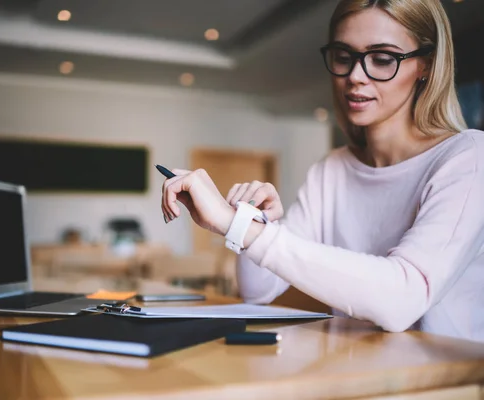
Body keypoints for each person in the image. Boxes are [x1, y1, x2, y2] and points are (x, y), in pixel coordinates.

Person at [160, 0, 484, 342]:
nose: (355, 76)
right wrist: (253, 220)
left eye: (382, 58)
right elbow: (258, 290)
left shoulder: (468, 157)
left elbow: (402, 301)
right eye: (344, 56)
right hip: (359, 376)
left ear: (427, 66)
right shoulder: (333, 170)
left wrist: (235, 224)